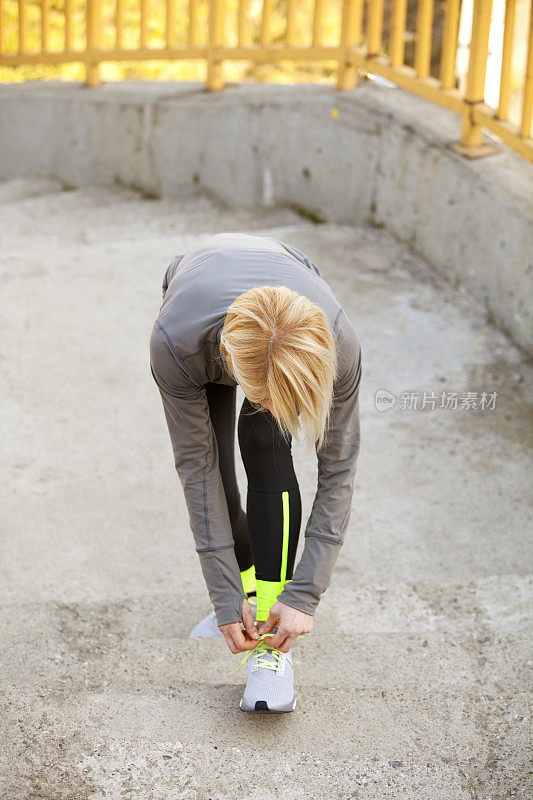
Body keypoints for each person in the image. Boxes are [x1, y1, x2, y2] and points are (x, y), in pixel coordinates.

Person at [149, 232, 362, 713]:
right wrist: (223, 594)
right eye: (255, 392)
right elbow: (194, 468)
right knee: (218, 475)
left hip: (288, 283)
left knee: (264, 440)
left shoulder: (339, 344)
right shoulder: (174, 345)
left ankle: (270, 636)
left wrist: (305, 593)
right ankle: (242, 599)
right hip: (196, 304)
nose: (262, 404)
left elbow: (339, 465)